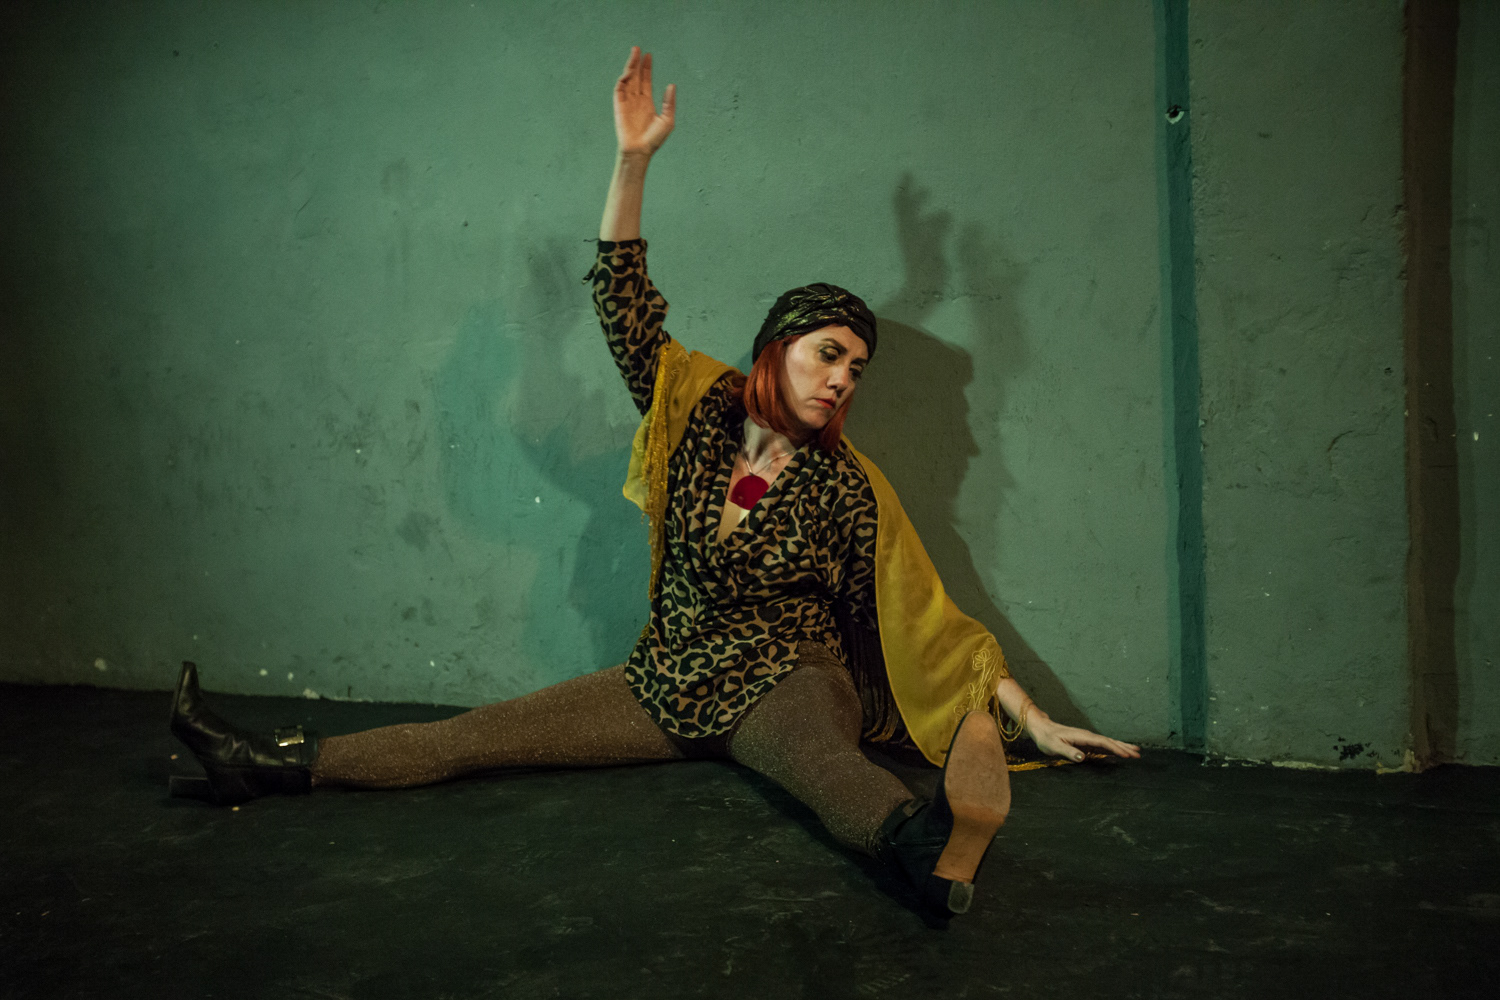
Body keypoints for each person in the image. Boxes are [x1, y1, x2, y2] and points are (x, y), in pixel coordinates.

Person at [168, 47, 1140, 919]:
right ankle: (263, 762)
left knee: (820, 763)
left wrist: (1030, 718)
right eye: (829, 353)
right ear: (778, 347)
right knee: (474, 738)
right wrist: (632, 161)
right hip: (669, 679)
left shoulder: (849, 487)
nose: (844, 378)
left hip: (787, 681)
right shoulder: (695, 408)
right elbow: (624, 300)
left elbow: (924, 613)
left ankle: (928, 852)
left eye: (857, 368)